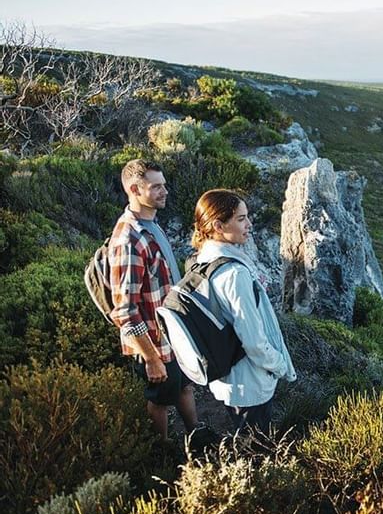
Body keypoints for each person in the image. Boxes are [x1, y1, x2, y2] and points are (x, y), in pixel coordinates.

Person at [191, 188, 296, 435]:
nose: (249, 224)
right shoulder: (234, 274)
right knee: (255, 447)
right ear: (218, 226)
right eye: (241, 219)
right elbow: (253, 341)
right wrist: (280, 365)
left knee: (244, 438)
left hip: (229, 377)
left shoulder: (201, 261)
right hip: (250, 383)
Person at [109, 158, 198, 440]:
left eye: (164, 185)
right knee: (160, 400)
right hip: (155, 343)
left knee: (184, 386)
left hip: (174, 334)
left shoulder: (151, 225)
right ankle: (162, 451)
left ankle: (195, 435)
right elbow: (125, 310)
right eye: (156, 186)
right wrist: (151, 358)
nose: (165, 191)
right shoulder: (129, 239)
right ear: (135, 190)